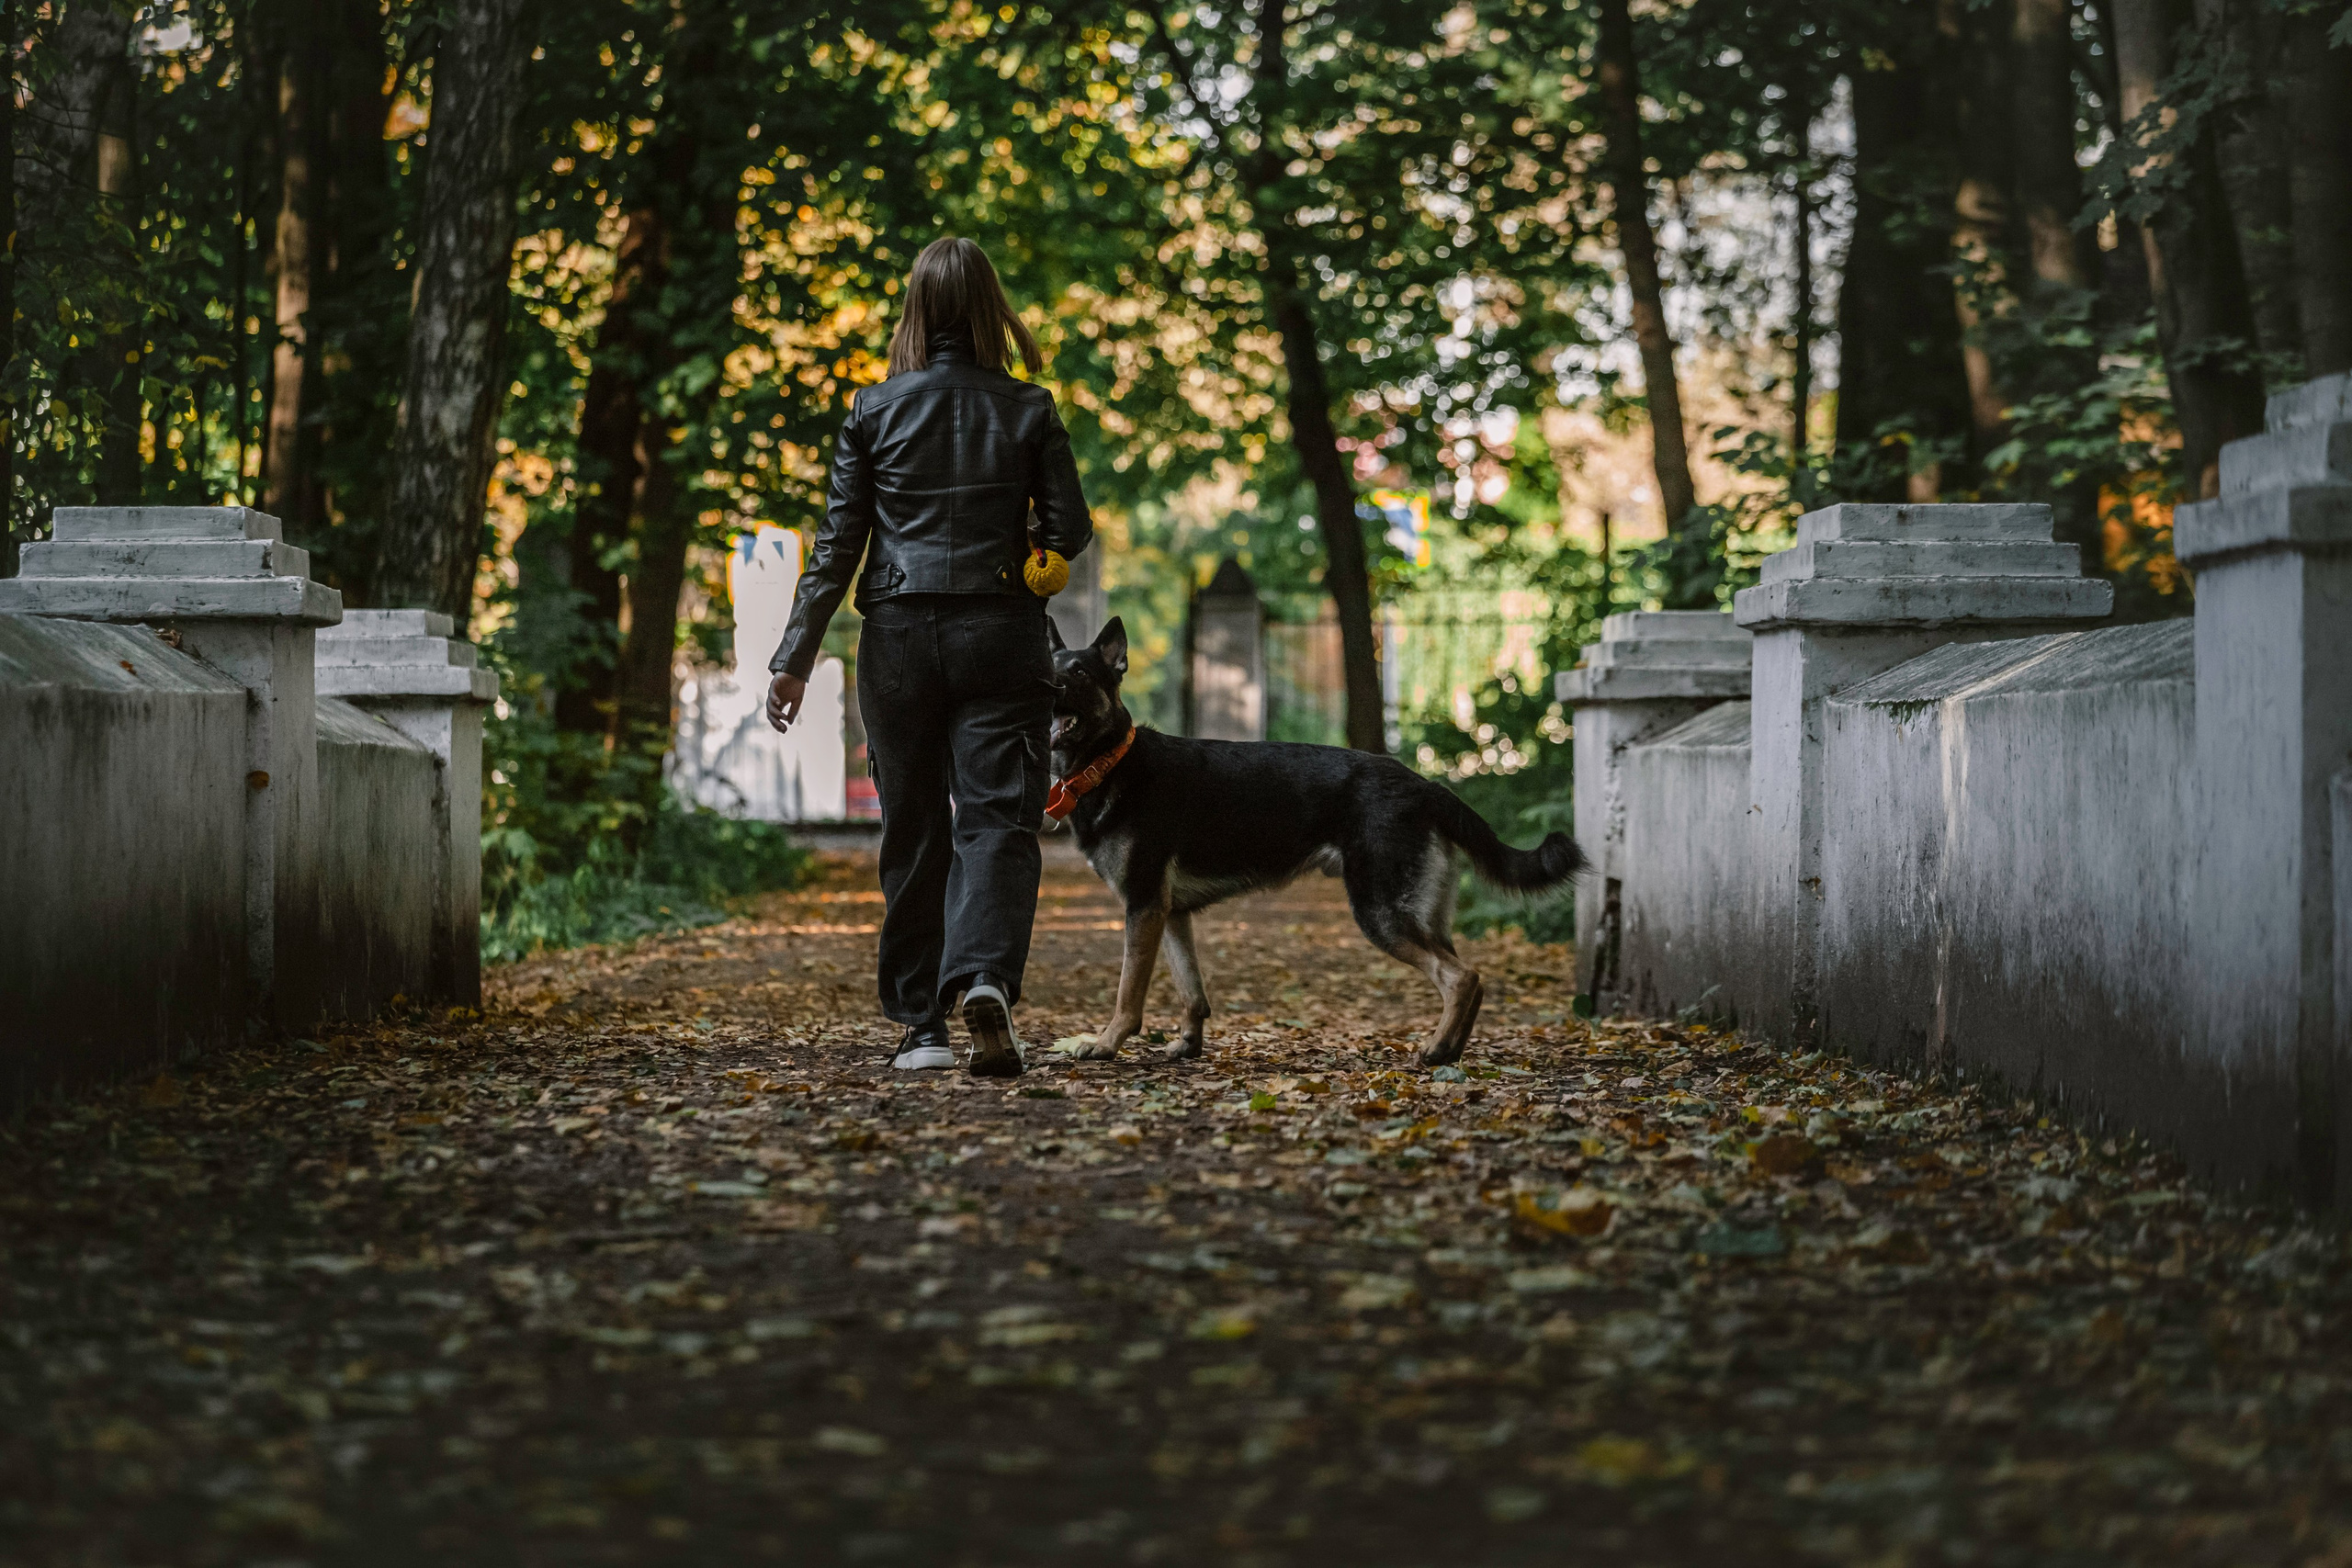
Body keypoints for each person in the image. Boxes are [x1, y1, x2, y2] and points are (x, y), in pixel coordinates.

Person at [764, 236, 1091, 1077]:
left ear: (916, 309)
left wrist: (793, 656)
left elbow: (838, 543)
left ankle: (921, 1028)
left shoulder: (872, 409)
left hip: (899, 637)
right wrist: (1038, 554)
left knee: (912, 829)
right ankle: (983, 976)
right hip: (1001, 633)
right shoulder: (1030, 406)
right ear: (990, 309)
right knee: (996, 820)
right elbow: (1070, 529)